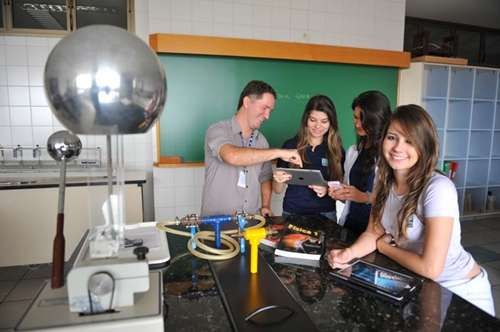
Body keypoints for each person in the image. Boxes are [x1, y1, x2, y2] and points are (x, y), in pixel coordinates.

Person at [327, 104, 494, 316]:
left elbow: (431, 268)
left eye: (409, 141)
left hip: (460, 290)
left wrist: (384, 247)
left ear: (424, 146)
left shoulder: (437, 188)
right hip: (422, 285)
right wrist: (347, 254)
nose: (398, 147)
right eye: (392, 137)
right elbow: (373, 231)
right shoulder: (383, 179)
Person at [201, 80, 302, 216]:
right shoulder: (217, 130)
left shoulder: (262, 141)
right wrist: (279, 152)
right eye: (264, 108)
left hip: (250, 222)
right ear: (247, 102)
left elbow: (265, 177)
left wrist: (266, 205)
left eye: (270, 111)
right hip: (216, 223)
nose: (267, 116)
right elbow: (232, 156)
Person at [328, 91, 391, 235]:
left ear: (376, 119)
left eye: (362, 119)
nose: (357, 124)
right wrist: (340, 194)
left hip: (376, 232)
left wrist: (364, 197)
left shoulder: (390, 156)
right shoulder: (353, 152)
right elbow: (349, 194)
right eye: (355, 118)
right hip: (349, 225)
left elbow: (394, 199)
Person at [273, 95, 343, 221]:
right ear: (306, 119)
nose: (317, 126)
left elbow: (342, 192)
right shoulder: (290, 146)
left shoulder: (336, 150)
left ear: (331, 122)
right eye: (313, 120)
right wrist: (278, 179)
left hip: (325, 214)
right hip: (292, 212)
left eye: (324, 121)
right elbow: (277, 190)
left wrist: (327, 189)